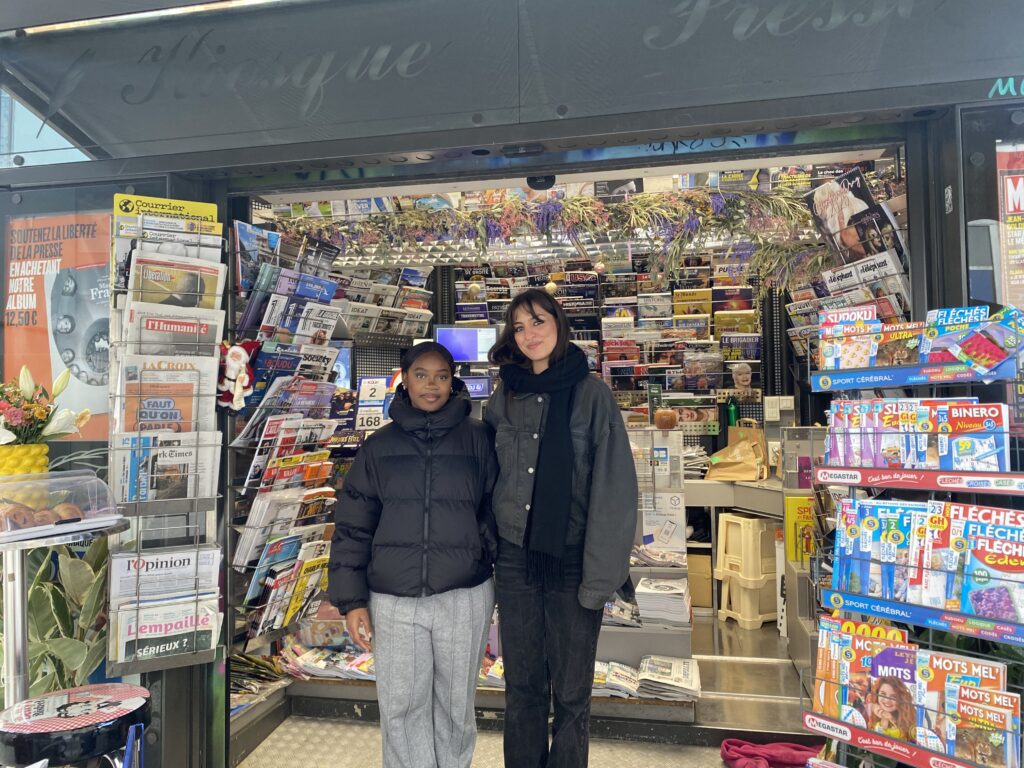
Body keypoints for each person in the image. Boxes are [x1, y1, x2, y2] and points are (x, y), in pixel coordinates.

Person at [485, 288, 638, 767]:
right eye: (519, 327)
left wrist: (602, 576)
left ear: (559, 324)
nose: (529, 334)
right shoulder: (504, 397)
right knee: (523, 689)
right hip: (516, 558)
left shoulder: (592, 396)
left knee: (572, 694)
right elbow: (487, 476)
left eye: (539, 322)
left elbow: (614, 490)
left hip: (573, 559)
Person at [328, 341, 498, 768]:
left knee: (456, 708)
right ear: (404, 379)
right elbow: (353, 527)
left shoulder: (480, 440)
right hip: (394, 599)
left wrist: (481, 556)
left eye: (441, 376)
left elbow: (498, 511)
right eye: (421, 374)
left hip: (463, 595)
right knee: (402, 707)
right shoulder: (378, 447)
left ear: (453, 381)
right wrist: (352, 601)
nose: (431, 385)